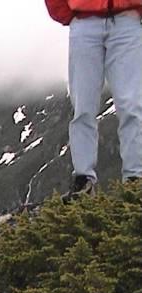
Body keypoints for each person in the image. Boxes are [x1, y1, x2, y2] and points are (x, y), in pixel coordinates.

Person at [45, 0, 142, 200]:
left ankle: (135, 179)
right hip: (86, 21)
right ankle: (84, 180)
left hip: (126, 20)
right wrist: (67, 13)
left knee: (131, 105)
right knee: (83, 105)